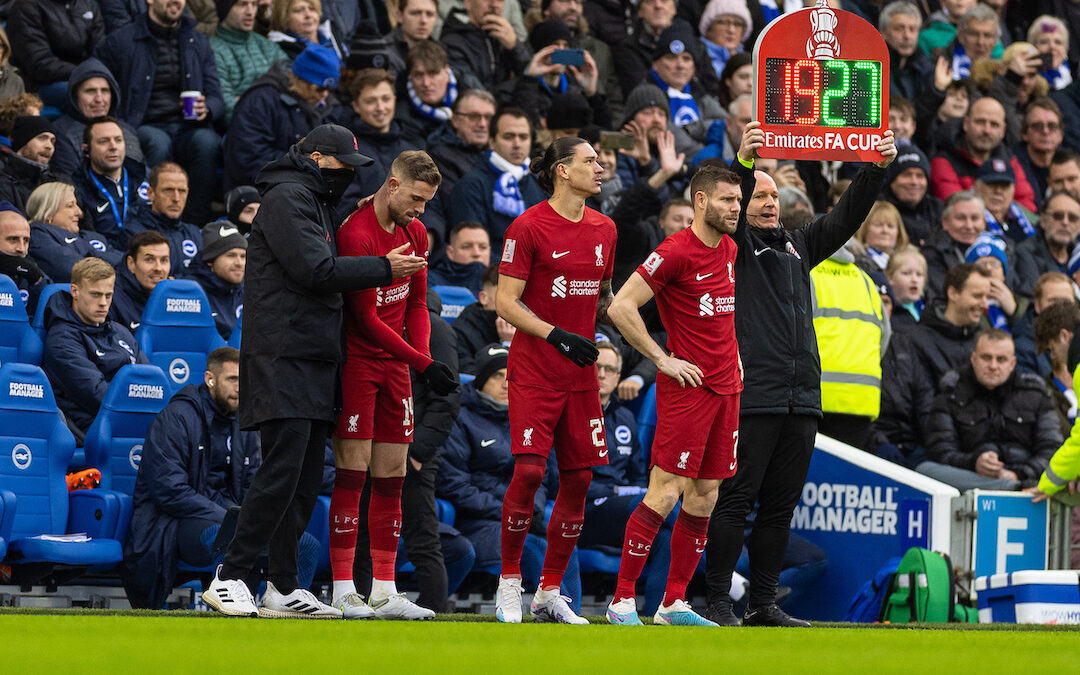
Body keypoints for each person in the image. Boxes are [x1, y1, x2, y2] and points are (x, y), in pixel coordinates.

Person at [202, 125, 427, 618]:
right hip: (283, 355)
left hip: (313, 356)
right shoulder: (287, 198)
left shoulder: (316, 200)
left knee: (303, 480)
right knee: (280, 472)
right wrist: (385, 269)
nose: (348, 174)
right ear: (319, 158)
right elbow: (316, 270)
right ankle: (231, 575)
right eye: (343, 165)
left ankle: (282, 585)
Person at [704, 121, 897, 627]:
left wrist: (874, 170)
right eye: (759, 196)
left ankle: (763, 604)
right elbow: (736, 193)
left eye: (774, 195)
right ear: (738, 208)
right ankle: (718, 603)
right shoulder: (736, 249)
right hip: (755, 395)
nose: (769, 202)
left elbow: (847, 217)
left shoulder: (799, 246)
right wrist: (744, 165)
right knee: (735, 501)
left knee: (780, 509)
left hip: (802, 400)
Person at [604, 163, 742, 627]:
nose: (736, 208)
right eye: (727, 200)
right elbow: (620, 306)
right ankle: (622, 601)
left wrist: (735, 355)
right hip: (688, 389)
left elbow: (720, 317)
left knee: (705, 495)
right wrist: (662, 358)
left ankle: (673, 604)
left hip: (728, 389)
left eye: (738, 201)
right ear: (700, 201)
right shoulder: (674, 251)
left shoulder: (729, 249)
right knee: (665, 492)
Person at [493, 136, 616, 624]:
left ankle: (548, 591)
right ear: (562, 171)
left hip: (581, 376)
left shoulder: (606, 228)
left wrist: (631, 327)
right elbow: (505, 302)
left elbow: (604, 296)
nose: (599, 167)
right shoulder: (526, 227)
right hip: (535, 370)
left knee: (580, 478)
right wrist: (555, 335)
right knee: (527, 472)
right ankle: (508, 583)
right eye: (590, 161)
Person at [328, 150, 455, 620]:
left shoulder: (414, 231)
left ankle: (384, 589)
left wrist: (421, 359)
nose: (421, 211)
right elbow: (362, 320)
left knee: (393, 476)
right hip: (358, 363)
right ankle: (344, 587)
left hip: (398, 365)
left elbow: (417, 304)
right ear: (393, 184)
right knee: (352, 472)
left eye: (428, 202)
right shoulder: (355, 233)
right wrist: (422, 362)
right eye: (417, 199)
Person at [123, 347, 320, 609]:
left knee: (305, 544)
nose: (240, 387)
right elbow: (170, 491)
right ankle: (234, 607)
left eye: (243, 380)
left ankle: (286, 606)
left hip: (231, 514)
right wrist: (228, 515)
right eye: (232, 379)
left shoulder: (245, 423)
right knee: (227, 536)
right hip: (178, 521)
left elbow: (254, 484)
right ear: (210, 379)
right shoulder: (176, 418)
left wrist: (255, 516)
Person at [352, 288, 469, 614]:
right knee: (363, 531)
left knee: (421, 536)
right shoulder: (379, 322)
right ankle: (363, 601)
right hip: (373, 444)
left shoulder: (436, 329)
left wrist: (418, 451)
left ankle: (435, 605)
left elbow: (447, 397)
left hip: (410, 450)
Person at [436, 344, 581, 606]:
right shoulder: (459, 418)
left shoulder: (529, 417)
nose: (505, 384)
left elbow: (543, 477)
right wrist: (510, 510)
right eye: (495, 376)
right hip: (476, 521)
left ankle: (569, 612)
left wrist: (532, 510)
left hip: (523, 516)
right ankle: (550, 618)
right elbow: (453, 484)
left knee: (564, 543)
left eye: (510, 376)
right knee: (535, 547)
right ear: (480, 381)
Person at [95, 0, 225, 226]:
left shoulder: (197, 40)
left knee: (208, 142)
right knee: (157, 142)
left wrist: (209, 107)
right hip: (143, 124)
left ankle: (195, 224)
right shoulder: (122, 40)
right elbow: (98, 78)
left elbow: (216, 95)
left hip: (188, 126)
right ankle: (155, 219)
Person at [873, 263, 991, 466]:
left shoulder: (983, 343)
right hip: (931, 452)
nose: (985, 304)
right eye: (977, 296)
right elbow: (920, 408)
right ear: (953, 293)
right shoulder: (913, 340)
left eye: (986, 296)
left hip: (976, 449)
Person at [920, 330, 1062, 490]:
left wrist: (1019, 473)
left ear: (1012, 364)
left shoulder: (1035, 393)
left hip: (1026, 482)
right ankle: (1006, 487)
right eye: (986, 358)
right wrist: (974, 462)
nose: (993, 366)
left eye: (1001, 359)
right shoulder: (951, 393)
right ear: (973, 359)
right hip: (970, 479)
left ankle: (1009, 486)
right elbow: (939, 451)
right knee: (925, 471)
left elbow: (1051, 449)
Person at [42, 257, 149, 439]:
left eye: (108, 295)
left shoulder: (120, 332)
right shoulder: (61, 339)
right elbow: (98, 396)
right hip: (93, 429)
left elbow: (149, 380)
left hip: (128, 418)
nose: (103, 303)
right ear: (74, 291)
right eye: (95, 294)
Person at [224, 43, 341, 191]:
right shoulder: (261, 100)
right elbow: (248, 159)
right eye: (320, 88)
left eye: (330, 89)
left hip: (305, 189)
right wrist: (307, 163)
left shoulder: (326, 105)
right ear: (302, 80)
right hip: (260, 191)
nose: (325, 95)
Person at [812, 241, 889, 450]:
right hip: (862, 400)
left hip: (815, 396)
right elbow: (884, 336)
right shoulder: (865, 281)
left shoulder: (807, 272)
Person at [449, 107, 546, 257]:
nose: (517, 144)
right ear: (492, 142)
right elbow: (474, 252)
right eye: (508, 137)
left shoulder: (539, 184)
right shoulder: (471, 186)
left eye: (523, 137)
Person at [930, 96, 1036, 211]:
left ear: (1003, 131)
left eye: (994, 125)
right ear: (966, 124)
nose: (987, 130)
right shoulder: (944, 160)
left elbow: (1027, 206)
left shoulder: (1009, 160)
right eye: (980, 122)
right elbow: (957, 208)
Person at [49, 58, 146, 179]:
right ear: (75, 95)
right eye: (90, 91)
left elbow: (144, 176)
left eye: (105, 91)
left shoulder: (127, 130)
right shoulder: (60, 132)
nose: (99, 99)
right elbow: (69, 182)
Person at [72, 117, 151, 250]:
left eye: (118, 140)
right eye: (103, 142)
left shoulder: (146, 177)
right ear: (86, 150)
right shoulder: (76, 190)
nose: (113, 147)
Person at [7, 0, 104, 104]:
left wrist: (96, 73)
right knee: (89, 96)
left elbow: (100, 50)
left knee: (115, 87)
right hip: (42, 83)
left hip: (86, 75)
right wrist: (85, 73)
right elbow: (39, 64)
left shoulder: (88, 3)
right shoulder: (26, 8)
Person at [27, 181, 122, 283]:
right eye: (70, 206)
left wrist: (91, 255)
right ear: (48, 212)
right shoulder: (37, 234)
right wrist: (94, 253)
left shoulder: (92, 236)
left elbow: (128, 263)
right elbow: (76, 270)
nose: (79, 213)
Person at [210, 0, 288, 123]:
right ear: (225, 9)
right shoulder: (212, 50)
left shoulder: (266, 45)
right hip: (242, 131)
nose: (250, 12)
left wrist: (244, 101)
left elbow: (294, 87)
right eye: (242, 4)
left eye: (254, 4)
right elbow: (226, 105)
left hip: (279, 124)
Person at [124, 163, 204, 275]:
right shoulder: (133, 233)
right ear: (150, 193)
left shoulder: (194, 233)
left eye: (181, 191)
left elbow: (204, 277)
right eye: (168, 190)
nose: (176, 198)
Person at [440, 0, 530, 96]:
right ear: (468, 3)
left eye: (500, 0)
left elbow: (530, 74)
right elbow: (478, 96)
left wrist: (515, 46)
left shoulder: (502, 37)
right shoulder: (452, 42)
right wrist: (516, 88)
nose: (494, 5)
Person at [921, 191, 990, 303]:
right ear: (945, 222)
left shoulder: (1000, 248)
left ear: (984, 222)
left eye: (975, 218)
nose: (969, 226)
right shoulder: (932, 254)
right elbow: (941, 299)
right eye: (961, 218)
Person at [183, 221, 246, 340]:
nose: (239, 263)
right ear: (210, 261)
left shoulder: (250, 292)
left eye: (243, 256)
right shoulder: (190, 293)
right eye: (231, 255)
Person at [1016, 191, 1080, 299]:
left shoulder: (1076, 254)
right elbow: (1033, 301)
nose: (1065, 222)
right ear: (1043, 220)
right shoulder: (1025, 252)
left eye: (1072, 218)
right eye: (1057, 216)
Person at [453, 263, 516, 374]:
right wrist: (507, 346)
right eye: (506, 296)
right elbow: (471, 377)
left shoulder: (531, 327)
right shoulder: (460, 332)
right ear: (484, 298)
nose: (514, 304)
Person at [110, 230, 172, 333]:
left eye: (164, 260)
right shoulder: (111, 299)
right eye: (149, 260)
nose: (158, 268)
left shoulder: (176, 298)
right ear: (131, 264)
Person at [0, 116, 64, 213]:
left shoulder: (60, 181)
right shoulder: (4, 184)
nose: (49, 146)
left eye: (52, 141)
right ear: (22, 142)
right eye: (42, 138)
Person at [1015, 98, 1066, 210]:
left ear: (1060, 134)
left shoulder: (1070, 165)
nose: (1045, 131)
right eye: (1037, 126)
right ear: (1025, 133)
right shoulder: (1012, 164)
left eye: (1052, 126)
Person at [881, 1, 933, 103]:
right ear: (883, 32)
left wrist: (936, 92)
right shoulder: (874, 66)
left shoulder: (928, 68)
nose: (907, 36)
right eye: (899, 29)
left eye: (912, 29)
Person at [0, 202, 48, 313]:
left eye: (26, 241)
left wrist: (37, 281)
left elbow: (45, 315)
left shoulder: (28, 267)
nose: (21, 249)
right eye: (13, 239)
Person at [427, 221, 490, 296]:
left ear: (489, 251)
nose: (476, 253)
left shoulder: (501, 283)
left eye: (483, 247)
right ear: (450, 252)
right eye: (467, 247)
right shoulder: (428, 281)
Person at [886, 245, 928, 333]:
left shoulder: (928, 310)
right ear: (889, 277)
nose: (914, 280)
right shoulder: (887, 312)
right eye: (906, 273)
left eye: (919, 274)